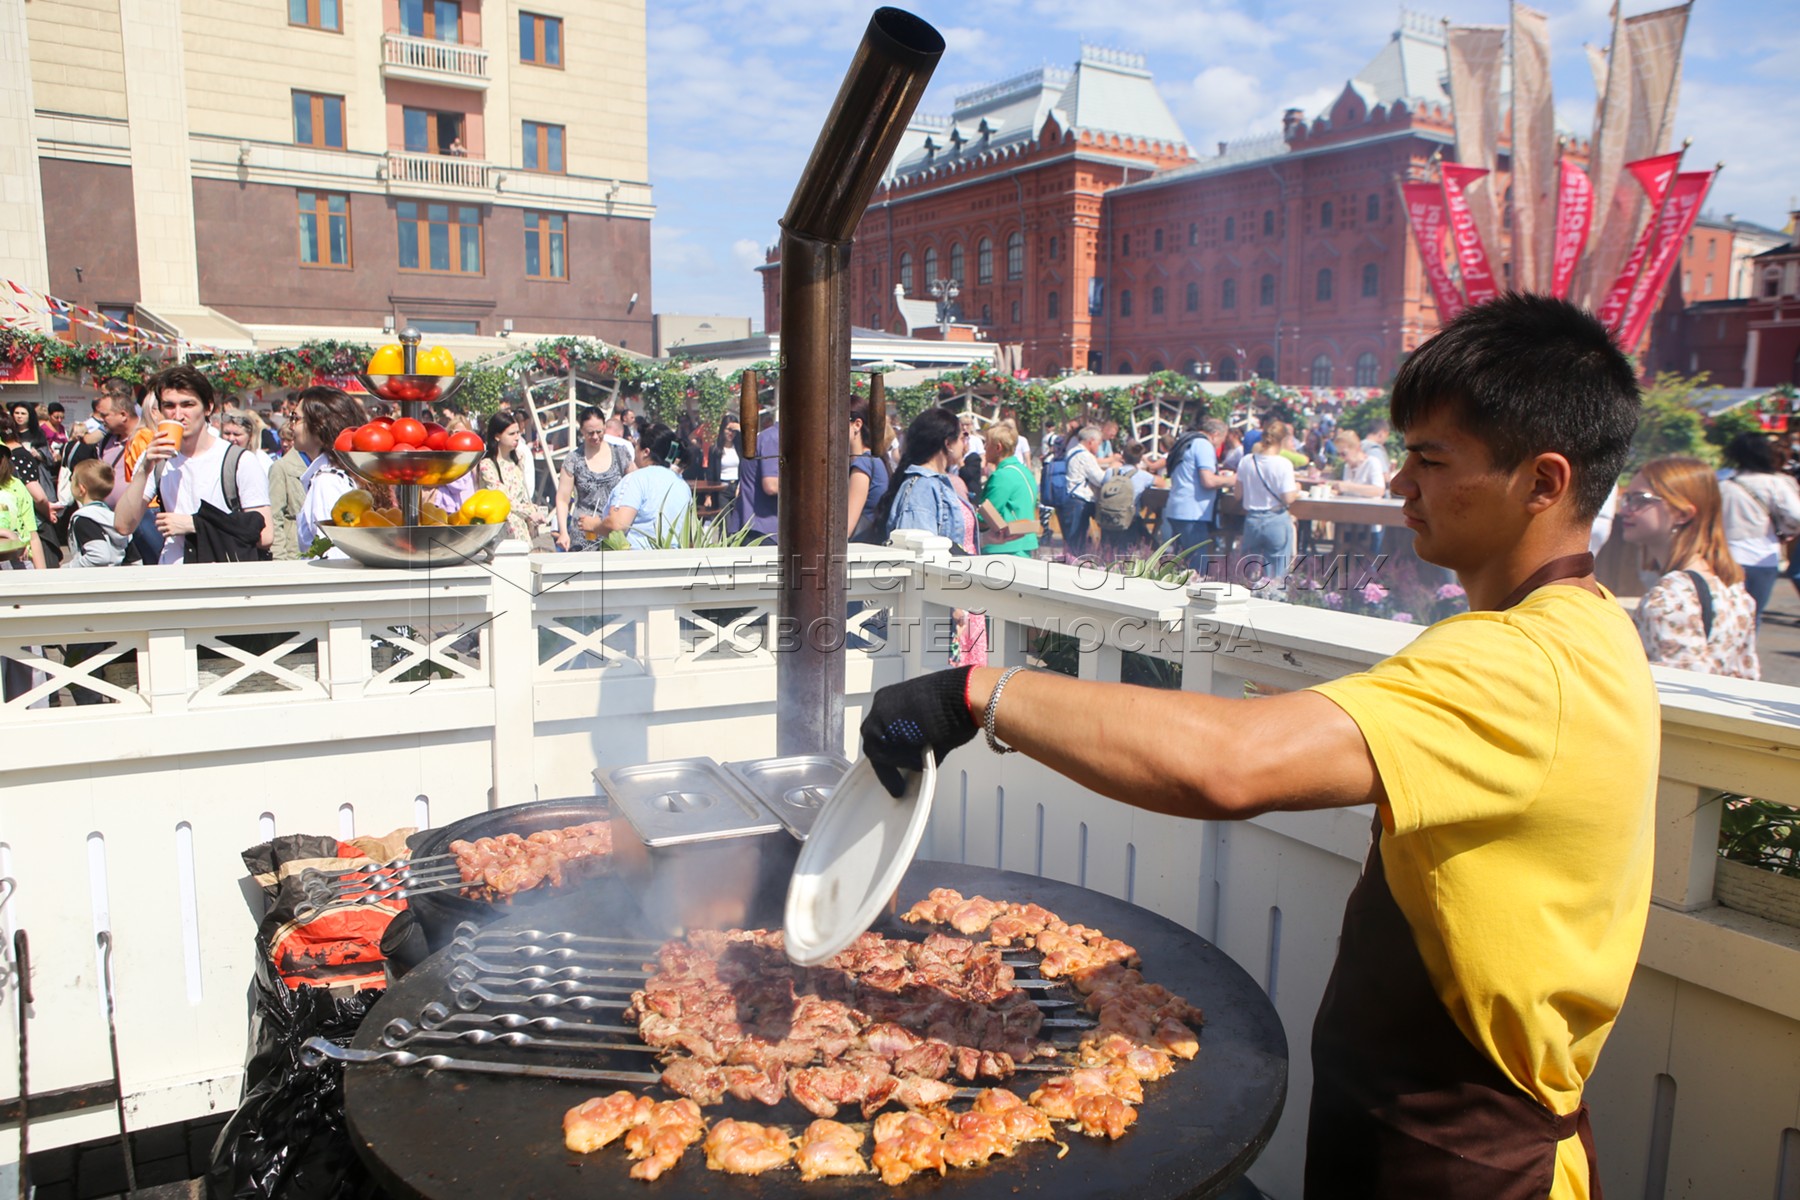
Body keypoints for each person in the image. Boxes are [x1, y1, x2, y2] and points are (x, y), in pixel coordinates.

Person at [860, 293, 1657, 1200]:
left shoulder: (1520, 664)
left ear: (1545, 483)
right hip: (1418, 1131)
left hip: (1471, 1164)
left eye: (1432, 461)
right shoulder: (1588, 627)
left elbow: (1229, 764)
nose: (1401, 485)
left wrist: (977, 695)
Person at [114, 365, 272, 564]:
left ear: (208, 408)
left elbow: (265, 535)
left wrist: (195, 524)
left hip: (221, 578)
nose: (178, 415)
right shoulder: (156, 459)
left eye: (188, 404)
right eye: (169, 406)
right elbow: (122, 525)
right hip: (172, 576)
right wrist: (145, 467)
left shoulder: (238, 460)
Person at [1619, 456, 1758, 679]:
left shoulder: (1671, 597)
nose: (1625, 510)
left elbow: (1677, 691)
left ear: (1682, 514)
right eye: (1627, 499)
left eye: (1640, 500)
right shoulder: (1729, 583)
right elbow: (1747, 673)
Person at [879, 407, 985, 664]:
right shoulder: (923, 487)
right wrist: (953, 606)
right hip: (948, 607)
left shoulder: (936, 482)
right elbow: (920, 557)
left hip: (960, 601)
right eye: (962, 437)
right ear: (947, 444)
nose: (966, 442)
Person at [1716, 431, 1800, 622]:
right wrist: (1787, 532)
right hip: (1762, 558)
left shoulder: (1721, 479)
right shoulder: (1775, 483)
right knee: (1753, 616)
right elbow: (1796, 516)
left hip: (1724, 556)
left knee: (1724, 616)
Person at [588, 425, 693, 549]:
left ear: (646, 452)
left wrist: (593, 525)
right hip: (674, 560)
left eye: (637, 445)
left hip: (639, 560)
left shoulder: (636, 479)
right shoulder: (681, 485)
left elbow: (617, 525)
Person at [293, 386, 367, 561]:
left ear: (319, 427)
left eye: (295, 418)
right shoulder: (350, 472)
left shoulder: (327, 482)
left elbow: (333, 554)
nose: (290, 426)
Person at [555, 407, 634, 552]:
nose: (596, 437)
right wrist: (563, 532)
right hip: (583, 534)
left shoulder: (621, 453)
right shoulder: (573, 460)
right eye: (590, 433)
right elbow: (562, 499)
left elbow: (636, 485)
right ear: (582, 431)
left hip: (614, 533)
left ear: (605, 427)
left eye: (599, 432)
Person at [1236, 420, 1300, 592]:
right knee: (1277, 574)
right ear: (1283, 440)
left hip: (1252, 519)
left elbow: (1238, 494)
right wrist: (1296, 490)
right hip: (1275, 518)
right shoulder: (1284, 464)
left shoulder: (1246, 461)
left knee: (1249, 570)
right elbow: (1288, 498)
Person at [1163, 418, 1233, 564]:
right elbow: (1208, 481)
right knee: (1197, 565)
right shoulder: (1204, 445)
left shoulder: (1186, 441)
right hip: (1193, 513)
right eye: (1222, 439)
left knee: (1179, 564)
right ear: (1215, 434)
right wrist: (1234, 480)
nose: (1221, 444)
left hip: (1177, 507)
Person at [474, 411, 549, 544]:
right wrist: (529, 512)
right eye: (511, 434)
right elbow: (503, 497)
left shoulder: (519, 458)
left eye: (518, 433)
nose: (517, 437)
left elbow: (524, 494)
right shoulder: (487, 465)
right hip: (498, 529)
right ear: (497, 436)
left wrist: (533, 511)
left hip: (520, 528)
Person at [978, 420, 1038, 558]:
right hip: (1024, 543)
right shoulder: (1024, 470)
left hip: (1004, 548)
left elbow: (986, 515)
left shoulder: (1002, 475)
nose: (984, 448)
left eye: (986, 444)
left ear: (998, 447)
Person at [62, 459, 130, 568]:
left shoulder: (84, 519)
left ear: (81, 489)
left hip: (95, 581)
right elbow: (134, 559)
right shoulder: (115, 518)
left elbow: (99, 556)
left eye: (72, 479)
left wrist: (69, 568)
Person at [266, 407, 310, 561]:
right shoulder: (281, 467)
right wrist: (278, 558)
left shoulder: (326, 463)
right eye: (282, 440)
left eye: (289, 439)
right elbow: (275, 516)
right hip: (295, 552)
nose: (285, 444)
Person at [732, 416, 780, 545]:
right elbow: (772, 485)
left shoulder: (771, 437)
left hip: (757, 528)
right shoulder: (774, 439)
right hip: (761, 531)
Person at [1059, 425, 1106, 557]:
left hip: (1072, 498)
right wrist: (1113, 470)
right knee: (1077, 541)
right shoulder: (1086, 456)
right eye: (1099, 443)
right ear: (1091, 441)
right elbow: (1100, 479)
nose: (1099, 447)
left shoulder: (1072, 451)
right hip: (1081, 500)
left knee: (1074, 539)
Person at [847, 403, 889, 542]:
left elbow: (845, 529)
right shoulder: (873, 459)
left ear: (857, 424)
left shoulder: (863, 463)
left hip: (860, 550)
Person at [711, 417, 742, 516]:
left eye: (734, 430)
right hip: (722, 488)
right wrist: (708, 496)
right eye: (728, 429)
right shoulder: (715, 449)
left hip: (737, 487)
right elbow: (710, 472)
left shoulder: (739, 448)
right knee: (726, 523)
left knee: (737, 522)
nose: (731, 433)